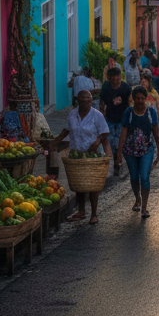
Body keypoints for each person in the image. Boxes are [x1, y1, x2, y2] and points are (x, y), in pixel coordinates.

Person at [56, 89, 112, 224]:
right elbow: (67, 129)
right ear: (77, 101)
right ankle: (81, 211)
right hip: (77, 154)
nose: (84, 104)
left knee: (93, 185)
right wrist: (55, 141)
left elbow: (104, 132)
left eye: (87, 101)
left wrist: (97, 141)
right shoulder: (72, 114)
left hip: (92, 155)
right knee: (79, 183)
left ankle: (94, 213)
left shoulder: (97, 115)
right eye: (81, 101)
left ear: (91, 101)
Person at [117, 86, 159, 217]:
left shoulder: (151, 113)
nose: (140, 101)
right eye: (138, 98)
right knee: (134, 177)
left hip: (147, 149)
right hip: (130, 151)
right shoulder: (128, 112)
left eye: (143, 98)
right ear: (134, 99)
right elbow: (123, 133)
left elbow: (156, 133)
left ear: (146, 98)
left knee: (144, 177)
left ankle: (144, 207)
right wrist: (119, 153)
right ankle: (137, 198)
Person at [100, 68, 131, 176]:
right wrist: (101, 115)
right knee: (111, 144)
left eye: (118, 78)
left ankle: (119, 163)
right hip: (110, 119)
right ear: (110, 79)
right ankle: (116, 163)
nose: (116, 81)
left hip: (123, 120)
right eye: (114, 79)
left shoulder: (126, 88)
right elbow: (102, 102)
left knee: (120, 143)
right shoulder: (106, 88)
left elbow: (130, 103)